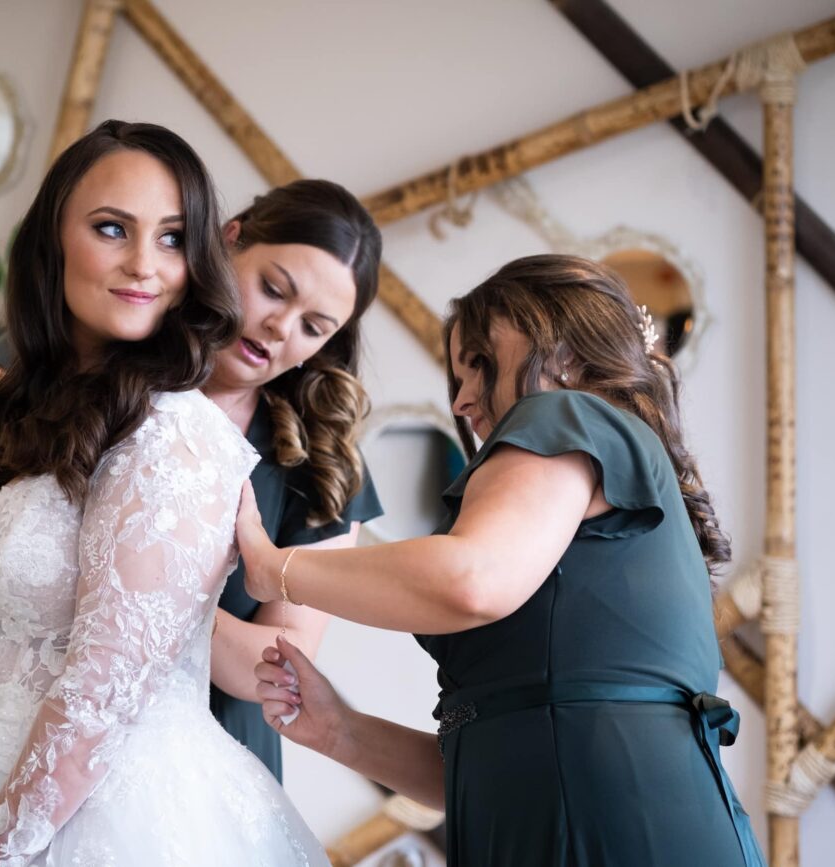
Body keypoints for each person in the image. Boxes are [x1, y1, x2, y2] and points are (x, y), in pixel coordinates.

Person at [239, 255, 766, 867]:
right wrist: (339, 730)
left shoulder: (569, 413)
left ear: (564, 351)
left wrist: (273, 568)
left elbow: (473, 580)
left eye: (479, 365)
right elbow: (493, 761)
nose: (463, 401)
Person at [0, 119, 326, 865]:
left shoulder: (177, 437)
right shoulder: (9, 405)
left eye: (171, 238)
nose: (144, 265)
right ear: (53, 241)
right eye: (112, 229)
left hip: (91, 822)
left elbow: (96, 700)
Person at [0, 177, 384, 781]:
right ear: (229, 242)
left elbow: (273, 668)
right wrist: (26, 487)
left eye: (315, 327)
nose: (281, 327)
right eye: (273, 290)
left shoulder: (324, 467)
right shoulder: (69, 347)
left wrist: (132, 589)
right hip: (0, 729)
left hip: (189, 771)